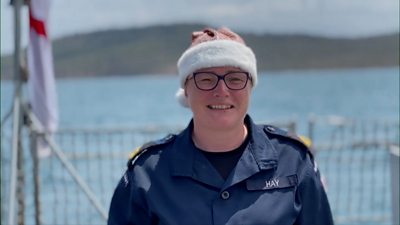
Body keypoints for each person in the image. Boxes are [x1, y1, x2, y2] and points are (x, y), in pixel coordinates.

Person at [108, 27, 334, 225]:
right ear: (186, 89)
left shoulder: (293, 161)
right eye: (206, 79)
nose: (222, 91)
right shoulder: (146, 172)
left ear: (250, 87)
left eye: (235, 78)